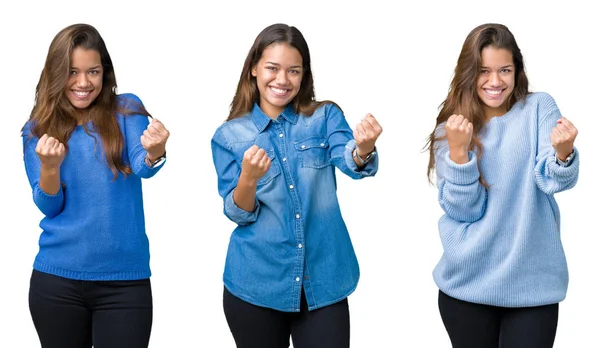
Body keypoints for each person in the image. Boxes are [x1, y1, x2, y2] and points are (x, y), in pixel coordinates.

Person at [211, 23, 383, 348]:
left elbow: (351, 161)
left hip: (324, 280)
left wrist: (363, 148)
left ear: (303, 75)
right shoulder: (229, 136)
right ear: (253, 69)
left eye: (293, 71)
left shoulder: (325, 117)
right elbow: (240, 214)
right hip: (256, 285)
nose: (282, 80)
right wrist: (248, 177)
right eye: (272, 68)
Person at [425, 23, 579, 348]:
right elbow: (465, 210)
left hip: (533, 287)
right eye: (484, 71)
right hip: (467, 286)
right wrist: (458, 152)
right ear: (469, 73)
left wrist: (564, 153)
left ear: (516, 70)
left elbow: (551, 179)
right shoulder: (450, 129)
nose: (495, 82)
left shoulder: (539, 108)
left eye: (504, 70)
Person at [22, 23, 169, 348]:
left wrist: (156, 150)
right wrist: (50, 167)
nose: (84, 82)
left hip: (124, 283)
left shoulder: (126, 110)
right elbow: (50, 204)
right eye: (73, 72)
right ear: (57, 73)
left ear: (106, 73)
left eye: (93, 71)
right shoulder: (37, 129)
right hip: (56, 281)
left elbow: (143, 165)